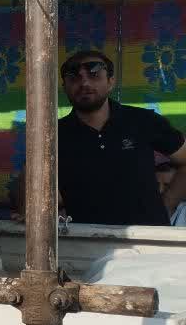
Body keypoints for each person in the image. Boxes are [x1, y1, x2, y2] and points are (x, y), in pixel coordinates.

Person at [56, 50, 186, 226]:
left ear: (111, 82)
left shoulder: (144, 121)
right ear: (64, 87)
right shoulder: (53, 134)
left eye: (94, 75)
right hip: (84, 238)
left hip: (148, 237)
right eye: (74, 78)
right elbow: (32, 181)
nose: (84, 83)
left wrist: (168, 203)